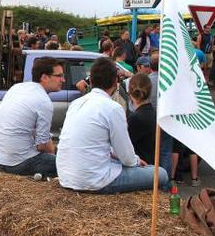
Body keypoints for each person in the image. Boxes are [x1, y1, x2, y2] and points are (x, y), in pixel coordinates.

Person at [57, 57, 167, 193]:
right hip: (95, 181)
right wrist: (137, 161)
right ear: (116, 82)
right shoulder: (113, 108)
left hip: (65, 176)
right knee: (161, 173)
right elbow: (127, 157)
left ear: (91, 81)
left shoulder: (76, 104)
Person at [0, 57, 64, 177]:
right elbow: (42, 146)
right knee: (70, 165)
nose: (63, 79)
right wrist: (54, 155)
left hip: (0, 159)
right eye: (59, 75)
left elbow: (39, 136)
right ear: (44, 77)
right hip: (19, 163)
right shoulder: (43, 101)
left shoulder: (18, 88)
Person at [126, 73, 155, 164]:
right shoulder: (153, 113)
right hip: (151, 164)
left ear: (130, 93)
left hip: (140, 167)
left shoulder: (135, 118)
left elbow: (123, 146)